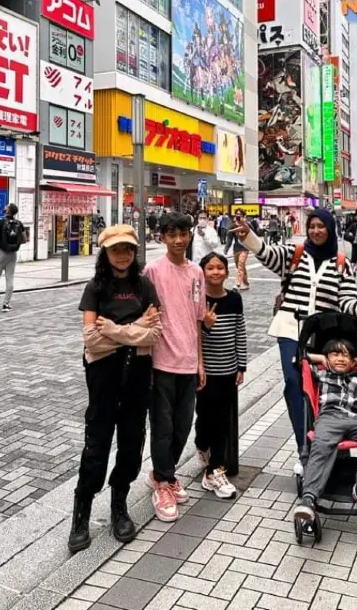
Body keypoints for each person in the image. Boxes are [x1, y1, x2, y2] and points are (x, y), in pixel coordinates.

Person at [232, 208, 357, 476]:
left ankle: (328, 444)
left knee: (321, 391)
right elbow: (267, 253)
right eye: (312, 226)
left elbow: (347, 301)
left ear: (329, 229)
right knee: (295, 386)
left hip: (324, 336)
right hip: (291, 330)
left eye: (321, 226)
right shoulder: (295, 254)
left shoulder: (341, 263)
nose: (316, 231)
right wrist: (248, 236)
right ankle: (305, 449)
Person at [68, 225, 162, 553]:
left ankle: (119, 505)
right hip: (103, 376)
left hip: (137, 374)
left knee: (132, 441)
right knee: (97, 443)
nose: (122, 255)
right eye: (115, 249)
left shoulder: (146, 286)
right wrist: (135, 328)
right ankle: (81, 512)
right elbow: (91, 339)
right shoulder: (95, 287)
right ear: (105, 253)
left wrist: (114, 330)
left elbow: (154, 335)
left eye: (127, 249)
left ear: (135, 252)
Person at [143, 212, 206, 522]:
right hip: (161, 362)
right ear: (163, 238)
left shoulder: (196, 272)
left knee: (182, 426)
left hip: (188, 362)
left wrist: (200, 363)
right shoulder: (153, 271)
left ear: (190, 235)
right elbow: (146, 316)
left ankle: (161, 473)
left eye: (183, 233)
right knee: (162, 427)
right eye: (172, 235)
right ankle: (164, 482)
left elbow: (197, 319)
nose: (179, 240)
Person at [294, 338, 357, 527]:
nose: (340, 359)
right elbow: (297, 360)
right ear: (328, 359)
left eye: (345, 355)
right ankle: (309, 498)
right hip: (329, 418)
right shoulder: (322, 374)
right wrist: (320, 358)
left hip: (355, 420)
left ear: (353, 360)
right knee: (321, 443)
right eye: (335, 354)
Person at [195, 253, 247, 499]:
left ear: (227, 272)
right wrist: (205, 324)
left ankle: (214, 469)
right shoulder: (198, 301)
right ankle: (200, 443)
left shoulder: (234, 299)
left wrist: (242, 365)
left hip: (228, 370)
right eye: (210, 268)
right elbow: (193, 337)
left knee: (222, 421)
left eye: (220, 268)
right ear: (202, 272)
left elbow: (240, 332)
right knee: (204, 417)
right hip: (205, 373)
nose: (215, 272)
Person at [224, 210, 251, 290]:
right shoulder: (233, 226)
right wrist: (226, 248)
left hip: (245, 248)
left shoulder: (247, 225)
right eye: (237, 214)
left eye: (240, 214)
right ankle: (245, 283)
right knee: (240, 266)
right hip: (236, 248)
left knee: (241, 264)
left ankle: (237, 283)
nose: (238, 216)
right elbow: (229, 238)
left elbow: (253, 233)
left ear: (243, 216)